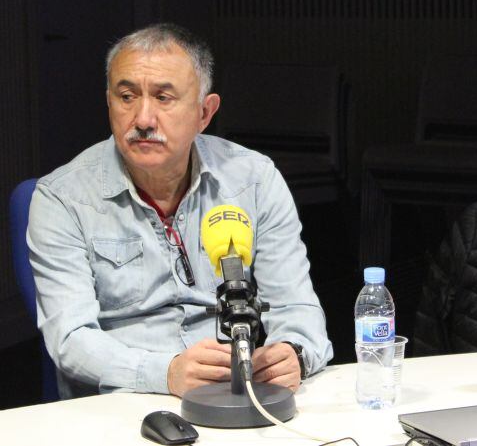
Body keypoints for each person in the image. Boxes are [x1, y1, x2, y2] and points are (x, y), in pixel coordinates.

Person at [28, 23, 333, 399]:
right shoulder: (62, 198)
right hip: (124, 401)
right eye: (126, 96)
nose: (142, 119)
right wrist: (165, 373)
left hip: (235, 392)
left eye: (163, 98)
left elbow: (296, 307)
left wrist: (295, 353)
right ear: (108, 102)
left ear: (205, 113)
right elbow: (70, 340)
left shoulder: (253, 181)